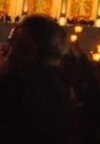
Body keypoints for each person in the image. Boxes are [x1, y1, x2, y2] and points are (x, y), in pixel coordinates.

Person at [0, 15, 77, 144]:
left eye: (12, 45)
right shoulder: (66, 92)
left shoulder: (11, 89)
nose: (7, 54)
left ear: (29, 51)